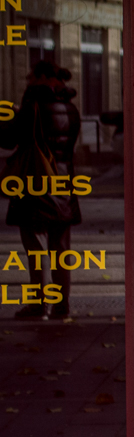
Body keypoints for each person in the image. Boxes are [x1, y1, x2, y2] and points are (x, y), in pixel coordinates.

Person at [0, 61, 81, 320]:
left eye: (31, 76)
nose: (26, 79)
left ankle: (38, 304)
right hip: (64, 183)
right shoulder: (71, 108)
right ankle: (62, 305)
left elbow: (9, 139)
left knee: (35, 246)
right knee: (61, 248)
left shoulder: (32, 106)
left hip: (35, 184)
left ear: (43, 78)